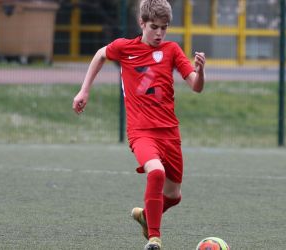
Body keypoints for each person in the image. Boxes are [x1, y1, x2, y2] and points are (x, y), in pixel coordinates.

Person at [72, 0, 205, 249]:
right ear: (141, 23)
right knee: (156, 172)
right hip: (141, 131)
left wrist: (201, 71)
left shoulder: (172, 50)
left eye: (164, 28)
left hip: (169, 133)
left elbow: (196, 86)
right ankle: (154, 238)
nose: (159, 33)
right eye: (154, 27)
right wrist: (84, 91)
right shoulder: (124, 48)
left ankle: (145, 215)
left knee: (174, 196)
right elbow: (100, 54)